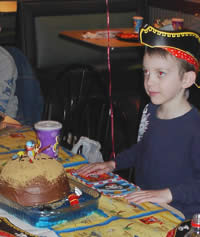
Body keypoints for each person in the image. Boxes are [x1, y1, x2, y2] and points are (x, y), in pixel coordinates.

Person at [77, 25, 200, 219]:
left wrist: (167, 194)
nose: (149, 81)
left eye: (161, 73)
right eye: (146, 72)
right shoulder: (150, 110)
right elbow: (144, 149)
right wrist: (113, 164)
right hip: (145, 207)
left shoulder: (195, 127)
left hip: (179, 216)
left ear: (186, 79)